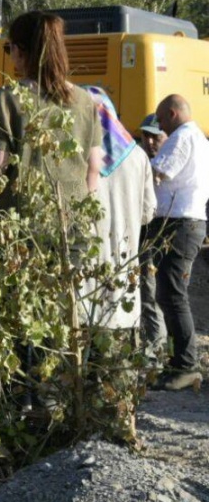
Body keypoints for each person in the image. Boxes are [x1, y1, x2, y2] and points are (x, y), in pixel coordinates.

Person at [0, 11, 103, 209]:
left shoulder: (7, 98)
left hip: (22, 221)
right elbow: (94, 166)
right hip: (75, 222)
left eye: (9, 49)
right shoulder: (85, 100)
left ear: (18, 50)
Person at [145, 94, 209, 391]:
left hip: (179, 224)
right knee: (170, 294)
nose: (159, 127)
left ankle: (186, 365)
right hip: (186, 223)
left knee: (172, 295)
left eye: (160, 120)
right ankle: (179, 363)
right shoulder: (199, 139)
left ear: (172, 113)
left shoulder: (181, 137)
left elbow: (157, 173)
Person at [83, 87, 155, 335]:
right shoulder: (138, 156)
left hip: (84, 282)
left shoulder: (77, 156)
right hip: (124, 276)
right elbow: (148, 212)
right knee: (115, 362)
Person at [138, 114, 167, 349]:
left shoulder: (170, 166)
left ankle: (157, 349)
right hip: (144, 234)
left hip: (157, 234)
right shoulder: (140, 161)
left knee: (152, 295)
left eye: (155, 137)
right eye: (145, 136)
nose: (149, 142)